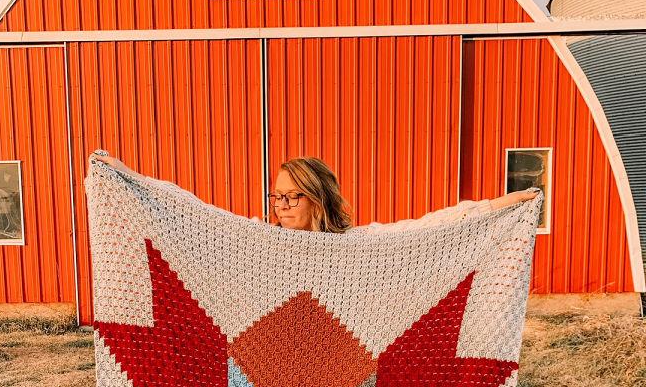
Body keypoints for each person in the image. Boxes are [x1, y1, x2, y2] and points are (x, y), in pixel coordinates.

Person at [95, 153, 539, 233]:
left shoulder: (356, 246)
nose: (282, 206)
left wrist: (497, 208)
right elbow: (194, 212)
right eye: (276, 196)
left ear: (319, 199)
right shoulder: (260, 238)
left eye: (294, 197)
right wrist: (130, 178)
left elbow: (428, 228)